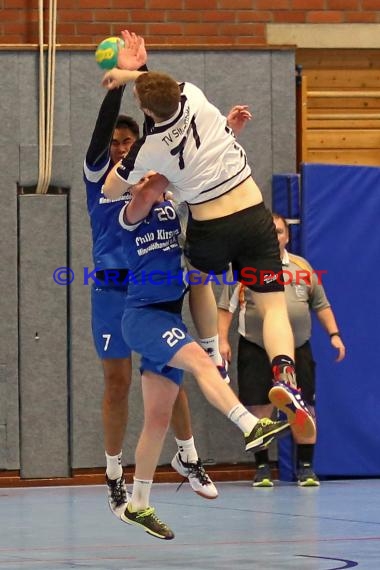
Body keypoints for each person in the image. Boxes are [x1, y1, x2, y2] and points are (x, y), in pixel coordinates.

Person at [101, 34, 316, 442]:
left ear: (145, 111)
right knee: (271, 307)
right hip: (252, 213)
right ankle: (286, 373)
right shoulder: (195, 95)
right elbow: (160, 90)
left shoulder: (147, 149)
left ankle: (213, 353)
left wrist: (118, 79)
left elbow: (112, 188)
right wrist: (131, 70)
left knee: (199, 278)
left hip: (210, 224)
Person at [84, 31, 218, 519]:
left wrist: (141, 71)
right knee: (117, 383)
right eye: (116, 143)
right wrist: (119, 80)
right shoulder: (98, 175)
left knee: (170, 373)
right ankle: (114, 475)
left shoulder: (149, 173)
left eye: (128, 142)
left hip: (154, 291)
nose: (121, 148)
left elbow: (155, 121)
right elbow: (104, 131)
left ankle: (189, 457)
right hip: (110, 292)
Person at [115, 178, 290, 540]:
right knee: (199, 362)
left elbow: (201, 180)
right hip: (144, 317)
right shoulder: (130, 213)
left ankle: (138, 504)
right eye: (142, 180)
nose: (150, 183)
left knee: (158, 420)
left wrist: (229, 134)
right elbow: (148, 190)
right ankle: (250, 425)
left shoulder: (176, 211)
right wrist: (159, 165)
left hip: (169, 316)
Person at [218, 213, 346, 487]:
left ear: (287, 236)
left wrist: (334, 335)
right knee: (258, 409)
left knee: (303, 407)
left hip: (298, 348)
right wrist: (222, 341)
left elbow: (321, 305)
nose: (274, 236)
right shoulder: (243, 268)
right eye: (269, 232)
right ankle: (263, 469)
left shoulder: (303, 267)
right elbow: (225, 308)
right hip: (255, 346)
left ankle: (306, 469)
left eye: (278, 232)